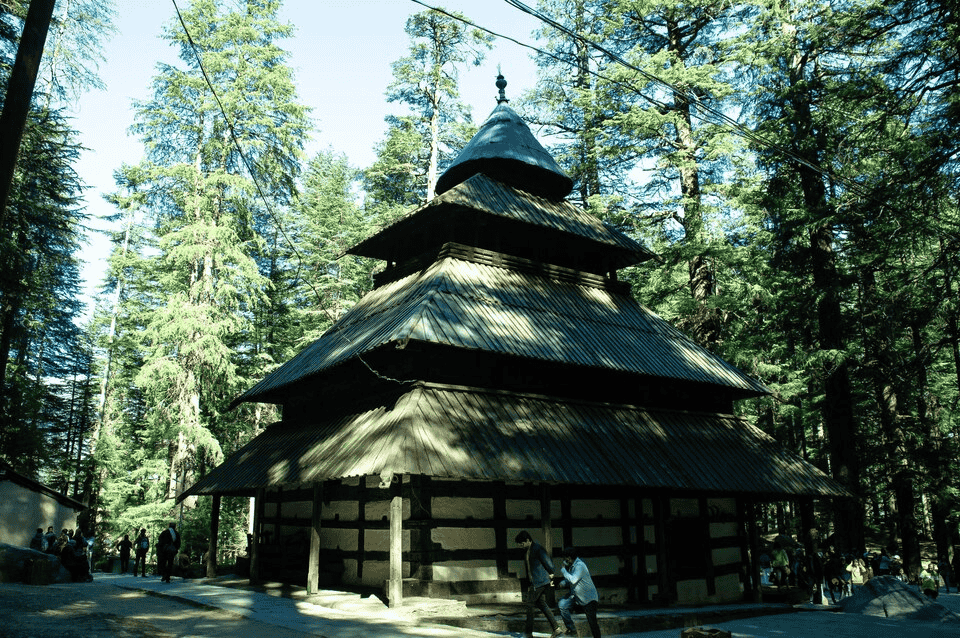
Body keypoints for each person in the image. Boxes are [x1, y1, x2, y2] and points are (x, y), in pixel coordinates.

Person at [514, 531, 562, 638]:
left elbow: (549, 563)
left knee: (530, 605)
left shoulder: (538, 548)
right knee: (542, 605)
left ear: (527, 540)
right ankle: (557, 629)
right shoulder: (528, 550)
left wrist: (551, 573)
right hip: (535, 582)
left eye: (521, 544)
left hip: (539, 582)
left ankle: (528, 633)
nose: (520, 546)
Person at [553, 546, 601, 638]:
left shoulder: (580, 565)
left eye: (565, 558)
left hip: (589, 598)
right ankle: (571, 628)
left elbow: (574, 579)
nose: (564, 560)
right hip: (577, 596)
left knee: (592, 623)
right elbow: (571, 579)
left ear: (569, 558)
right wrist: (563, 583)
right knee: (562, 605)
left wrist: (563, 570)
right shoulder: (572, 566)